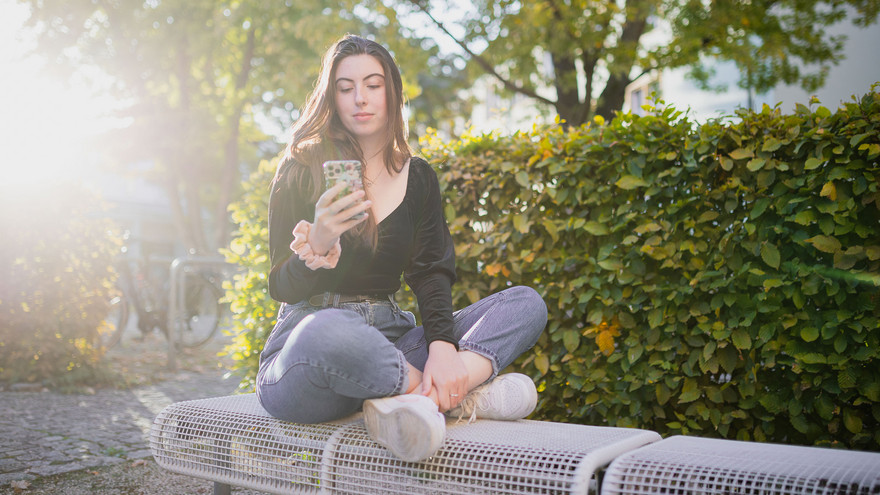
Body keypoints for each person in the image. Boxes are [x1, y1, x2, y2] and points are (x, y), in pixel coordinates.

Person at [257, 34, 548, 463]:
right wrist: (317, 241)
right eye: (346, 87)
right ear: (332, 96)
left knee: (526, 303)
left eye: (373, 85)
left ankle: (412, 393)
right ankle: (455, 399)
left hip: (390, 342)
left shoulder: (419, 178)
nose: (360, 98)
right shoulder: (301, 166)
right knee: (328, 328)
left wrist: (444, 350)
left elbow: (430, 272)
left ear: (392, 92)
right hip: (308, 357)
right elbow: (279, 286)